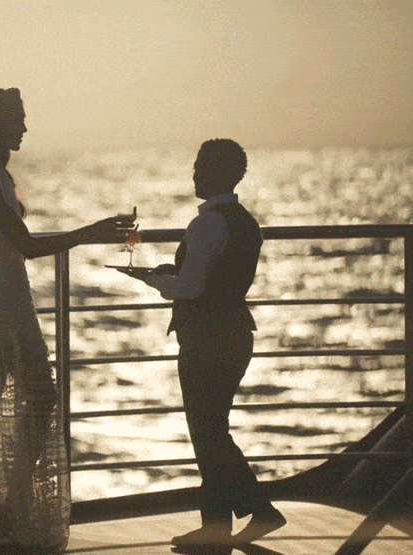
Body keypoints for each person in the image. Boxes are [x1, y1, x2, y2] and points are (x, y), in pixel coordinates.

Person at [0, 88, 135, 553]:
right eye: (18, 120)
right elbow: (27, 245)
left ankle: (12, 498)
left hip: (11, 296)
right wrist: (90, 232)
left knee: (39, 396)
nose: (25, 128)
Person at [118, 139, 285, 549]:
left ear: (216, 173)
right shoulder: (245, 222)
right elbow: (212, 276)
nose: (193, 174)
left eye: (200, 167)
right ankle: (216, 528)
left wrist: (152, 279)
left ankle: (258, 511)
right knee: (212, 431)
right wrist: (173, 273)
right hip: (234, 334)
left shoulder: (207, 223)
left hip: (207, 340)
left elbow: (192, 287)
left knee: (208, 434)